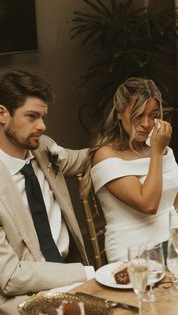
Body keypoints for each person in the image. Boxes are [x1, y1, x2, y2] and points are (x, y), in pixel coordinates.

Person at [0, 69, 94, 315]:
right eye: (32, 116)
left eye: (43, 116)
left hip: (73, 281)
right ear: (2, 114)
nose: (42, 126)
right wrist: (88, 272)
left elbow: (84, 158)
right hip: (24, 300)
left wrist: (126, 137)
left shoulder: (45, 148)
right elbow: (10, 276)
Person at [80, 77, 178, 263]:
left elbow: (175, 193)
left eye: (152, 115)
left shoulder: (158, 147)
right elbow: (148, 204)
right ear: (119, 113)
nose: (146, 124)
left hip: (175, 246)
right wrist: (157, 153)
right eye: (138, 115)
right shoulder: (106, 155)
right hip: (134, 255)